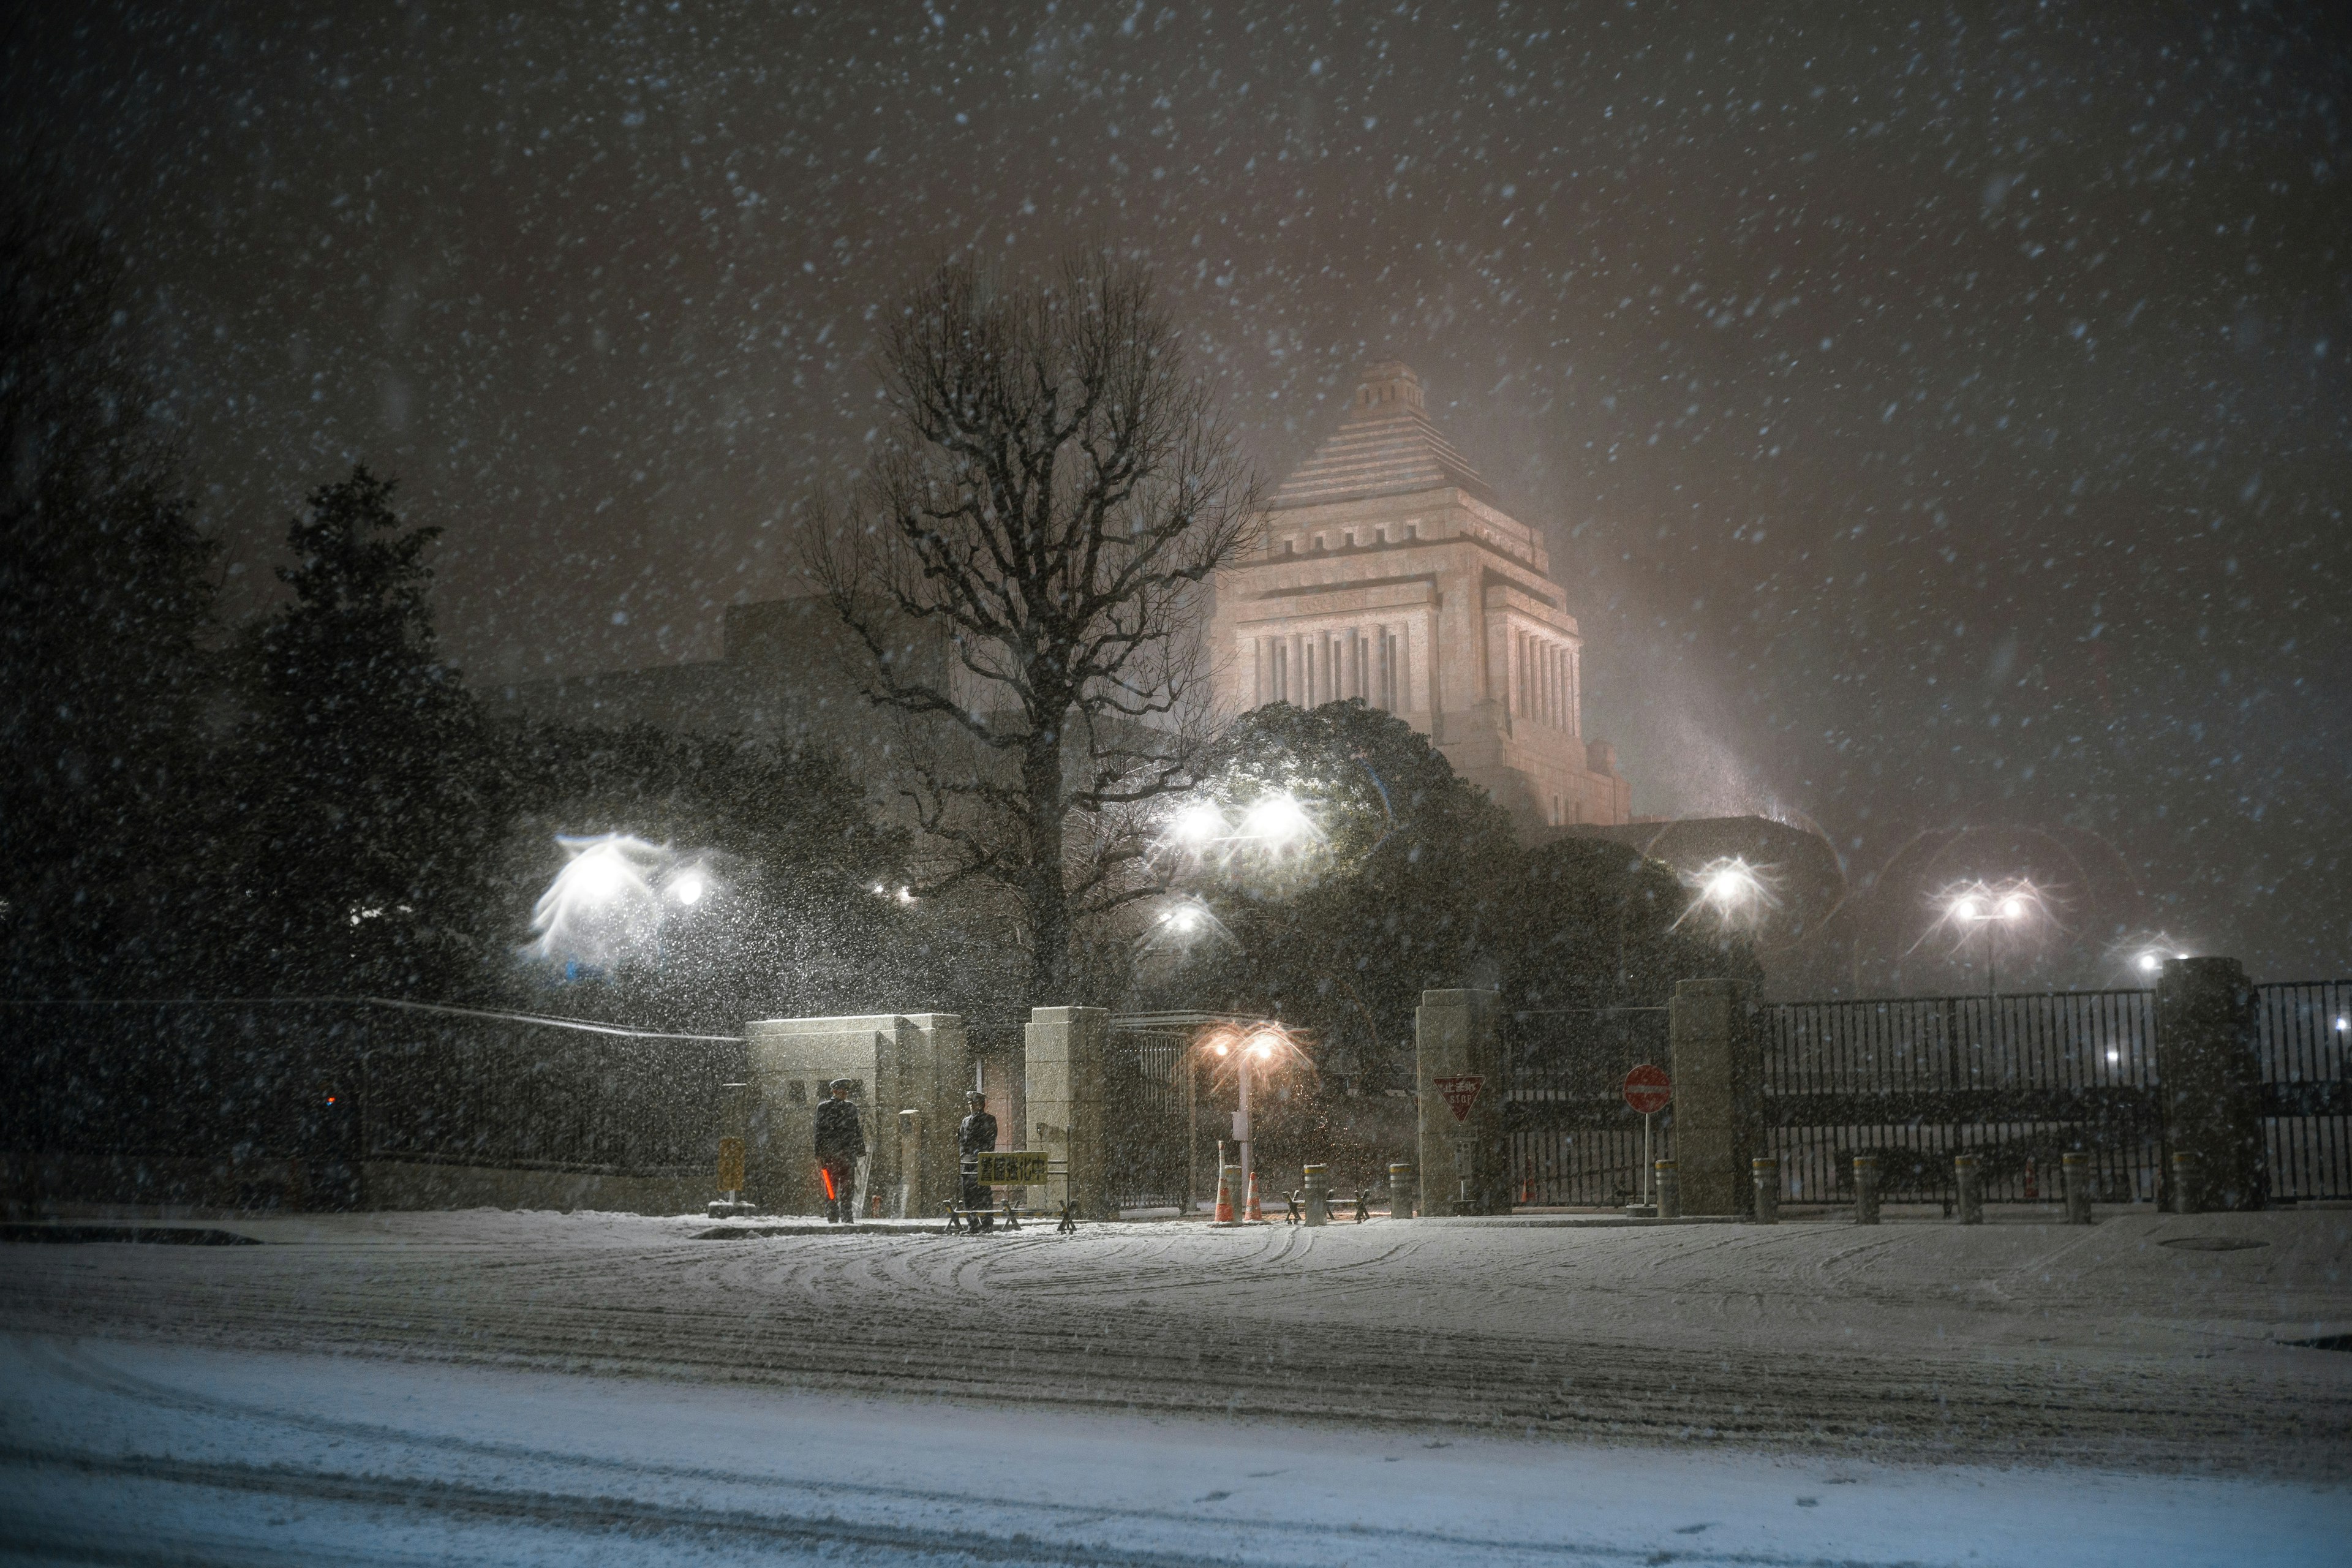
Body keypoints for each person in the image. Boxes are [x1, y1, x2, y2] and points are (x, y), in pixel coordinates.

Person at [813, 1079, 865, 1223]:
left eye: (845, 1091)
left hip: (848, 1155)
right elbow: (819, 1132)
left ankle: (847, 1215)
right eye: (840, 1091)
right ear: (834, 1091)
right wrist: (818, 1154)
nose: (843, 1094)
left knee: (848, 1188)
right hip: (831, 1156)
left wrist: (861, 1151)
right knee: (831, 1187)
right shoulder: (824, 1108)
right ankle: (832, 1215)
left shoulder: (851, 1108)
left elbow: (857, 1131)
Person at [957, 1090, 998, 1232]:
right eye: (970, 1103)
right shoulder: (966, 1121)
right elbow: (961, 1141)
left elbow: (990, 1140)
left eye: (974, 1103)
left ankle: (987, 1224)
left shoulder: (989, 1120)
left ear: (982, 1104)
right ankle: (973, 1224)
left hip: (981, 1163)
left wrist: (979, 1153)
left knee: (984, 1195)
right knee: (968, 1195)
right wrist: (964, 1156)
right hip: (967, 1163)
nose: (971, 1106)